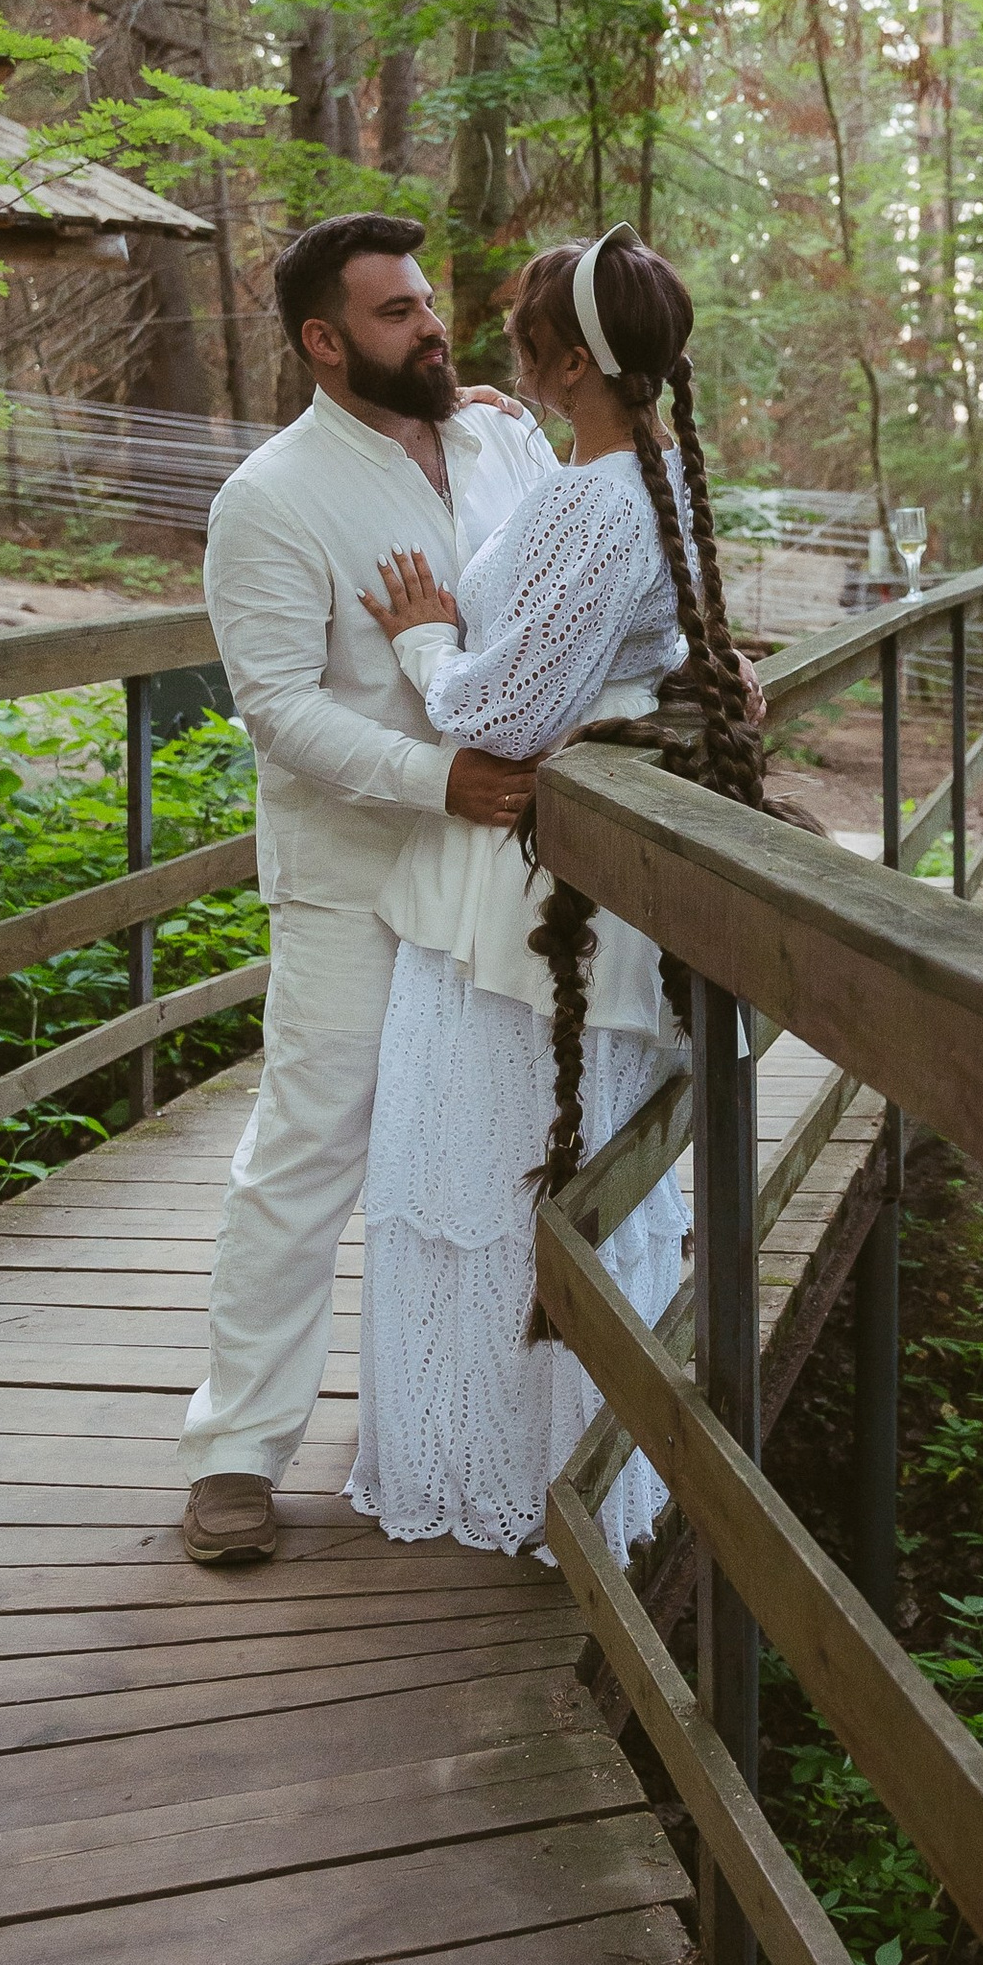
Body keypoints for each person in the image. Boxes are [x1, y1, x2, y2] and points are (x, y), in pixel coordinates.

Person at [345, 224, 768, 1558]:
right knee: (532, 1179)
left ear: (572, 361)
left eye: (521, 327)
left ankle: (529, 1486)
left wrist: (424, 641)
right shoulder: (626, 467)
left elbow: (513, 706)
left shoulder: (606, 499)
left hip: (537, 903)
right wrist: (487, 429)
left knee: (501, 1172)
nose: (496, 337)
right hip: (547, 882)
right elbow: (580, 595)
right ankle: (555, 1475)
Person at [177, 212, 559, 1569]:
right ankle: (233, 1451)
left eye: (427, 304)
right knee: (309, 1146)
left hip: (499, 874)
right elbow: (276, 709)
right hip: (358, 868)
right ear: (324, 342)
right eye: (394, 316)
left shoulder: (496, 439)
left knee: (483, 1144)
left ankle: (467, 1422)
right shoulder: (272, 499)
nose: (431, 328)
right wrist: (434, 777)